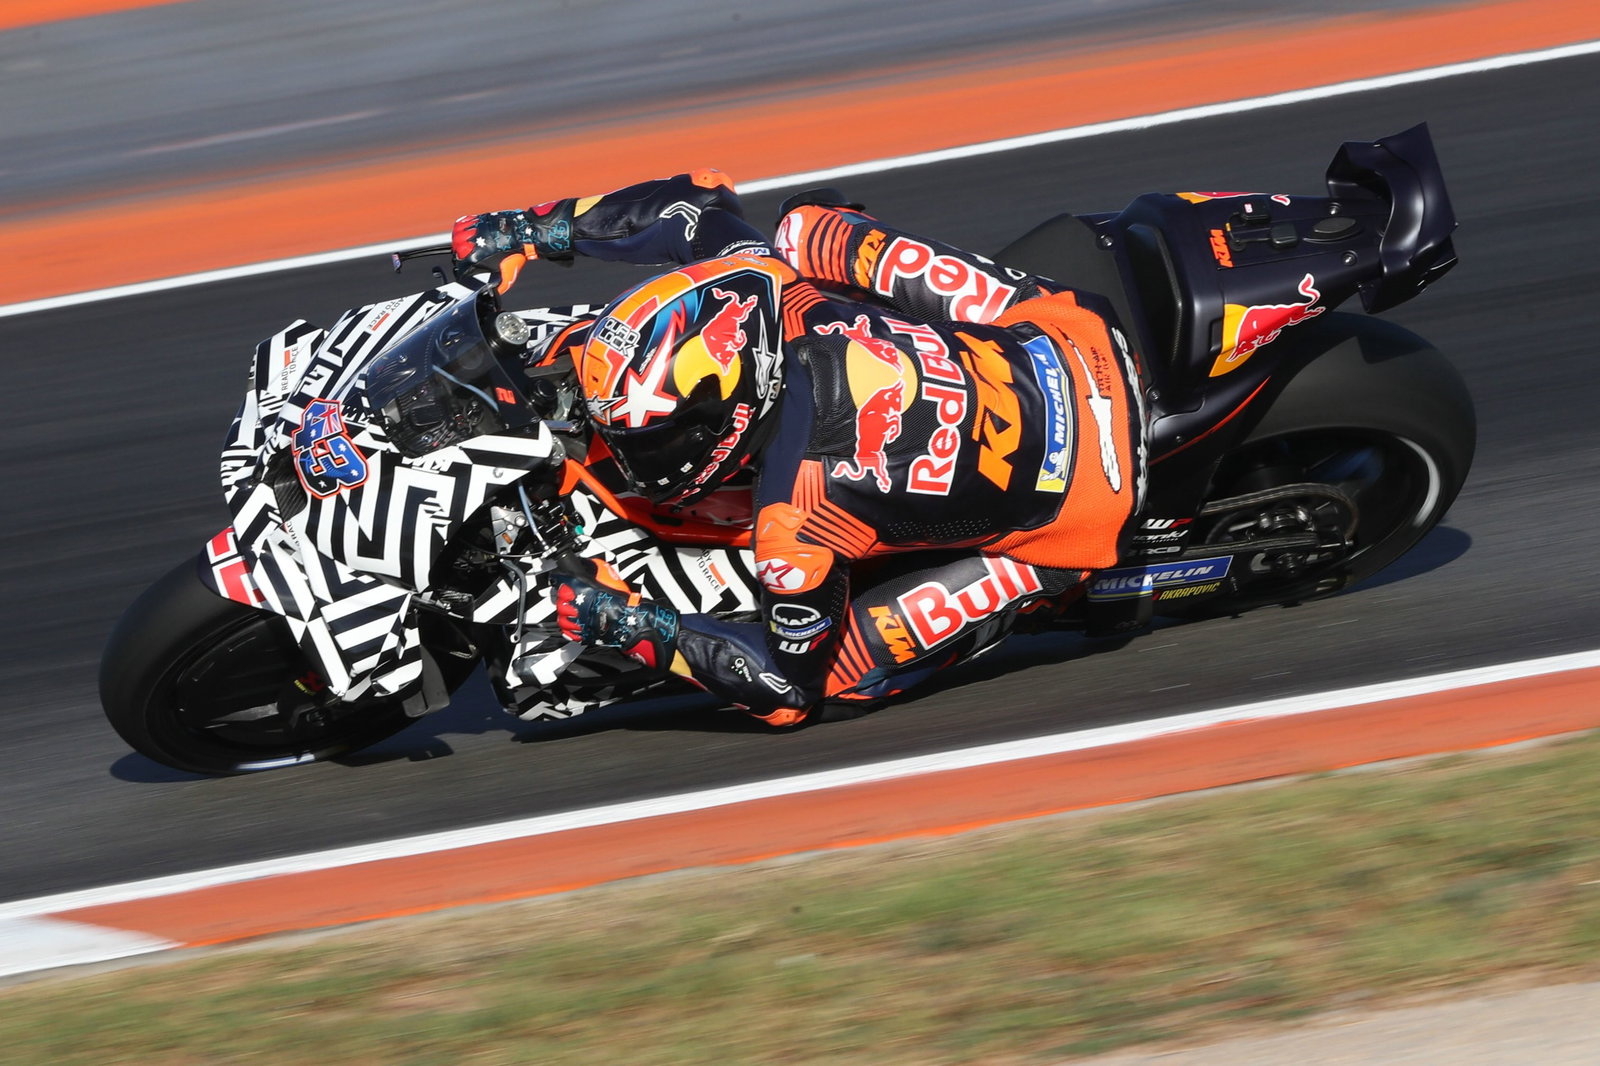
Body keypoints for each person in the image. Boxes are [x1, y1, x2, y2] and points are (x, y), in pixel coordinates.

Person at [451, 168, 1148, 726]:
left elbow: (785, 688)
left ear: (724, 421)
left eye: (652, 439)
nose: (635, 453)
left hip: (1086, 509)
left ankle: (1047, 591)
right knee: (806, 227)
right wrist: (533, 229)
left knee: (835, 675)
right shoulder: (767, 281)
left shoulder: (792, 523)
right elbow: (691, 201)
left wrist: (636, 625)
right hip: (1071, 336)